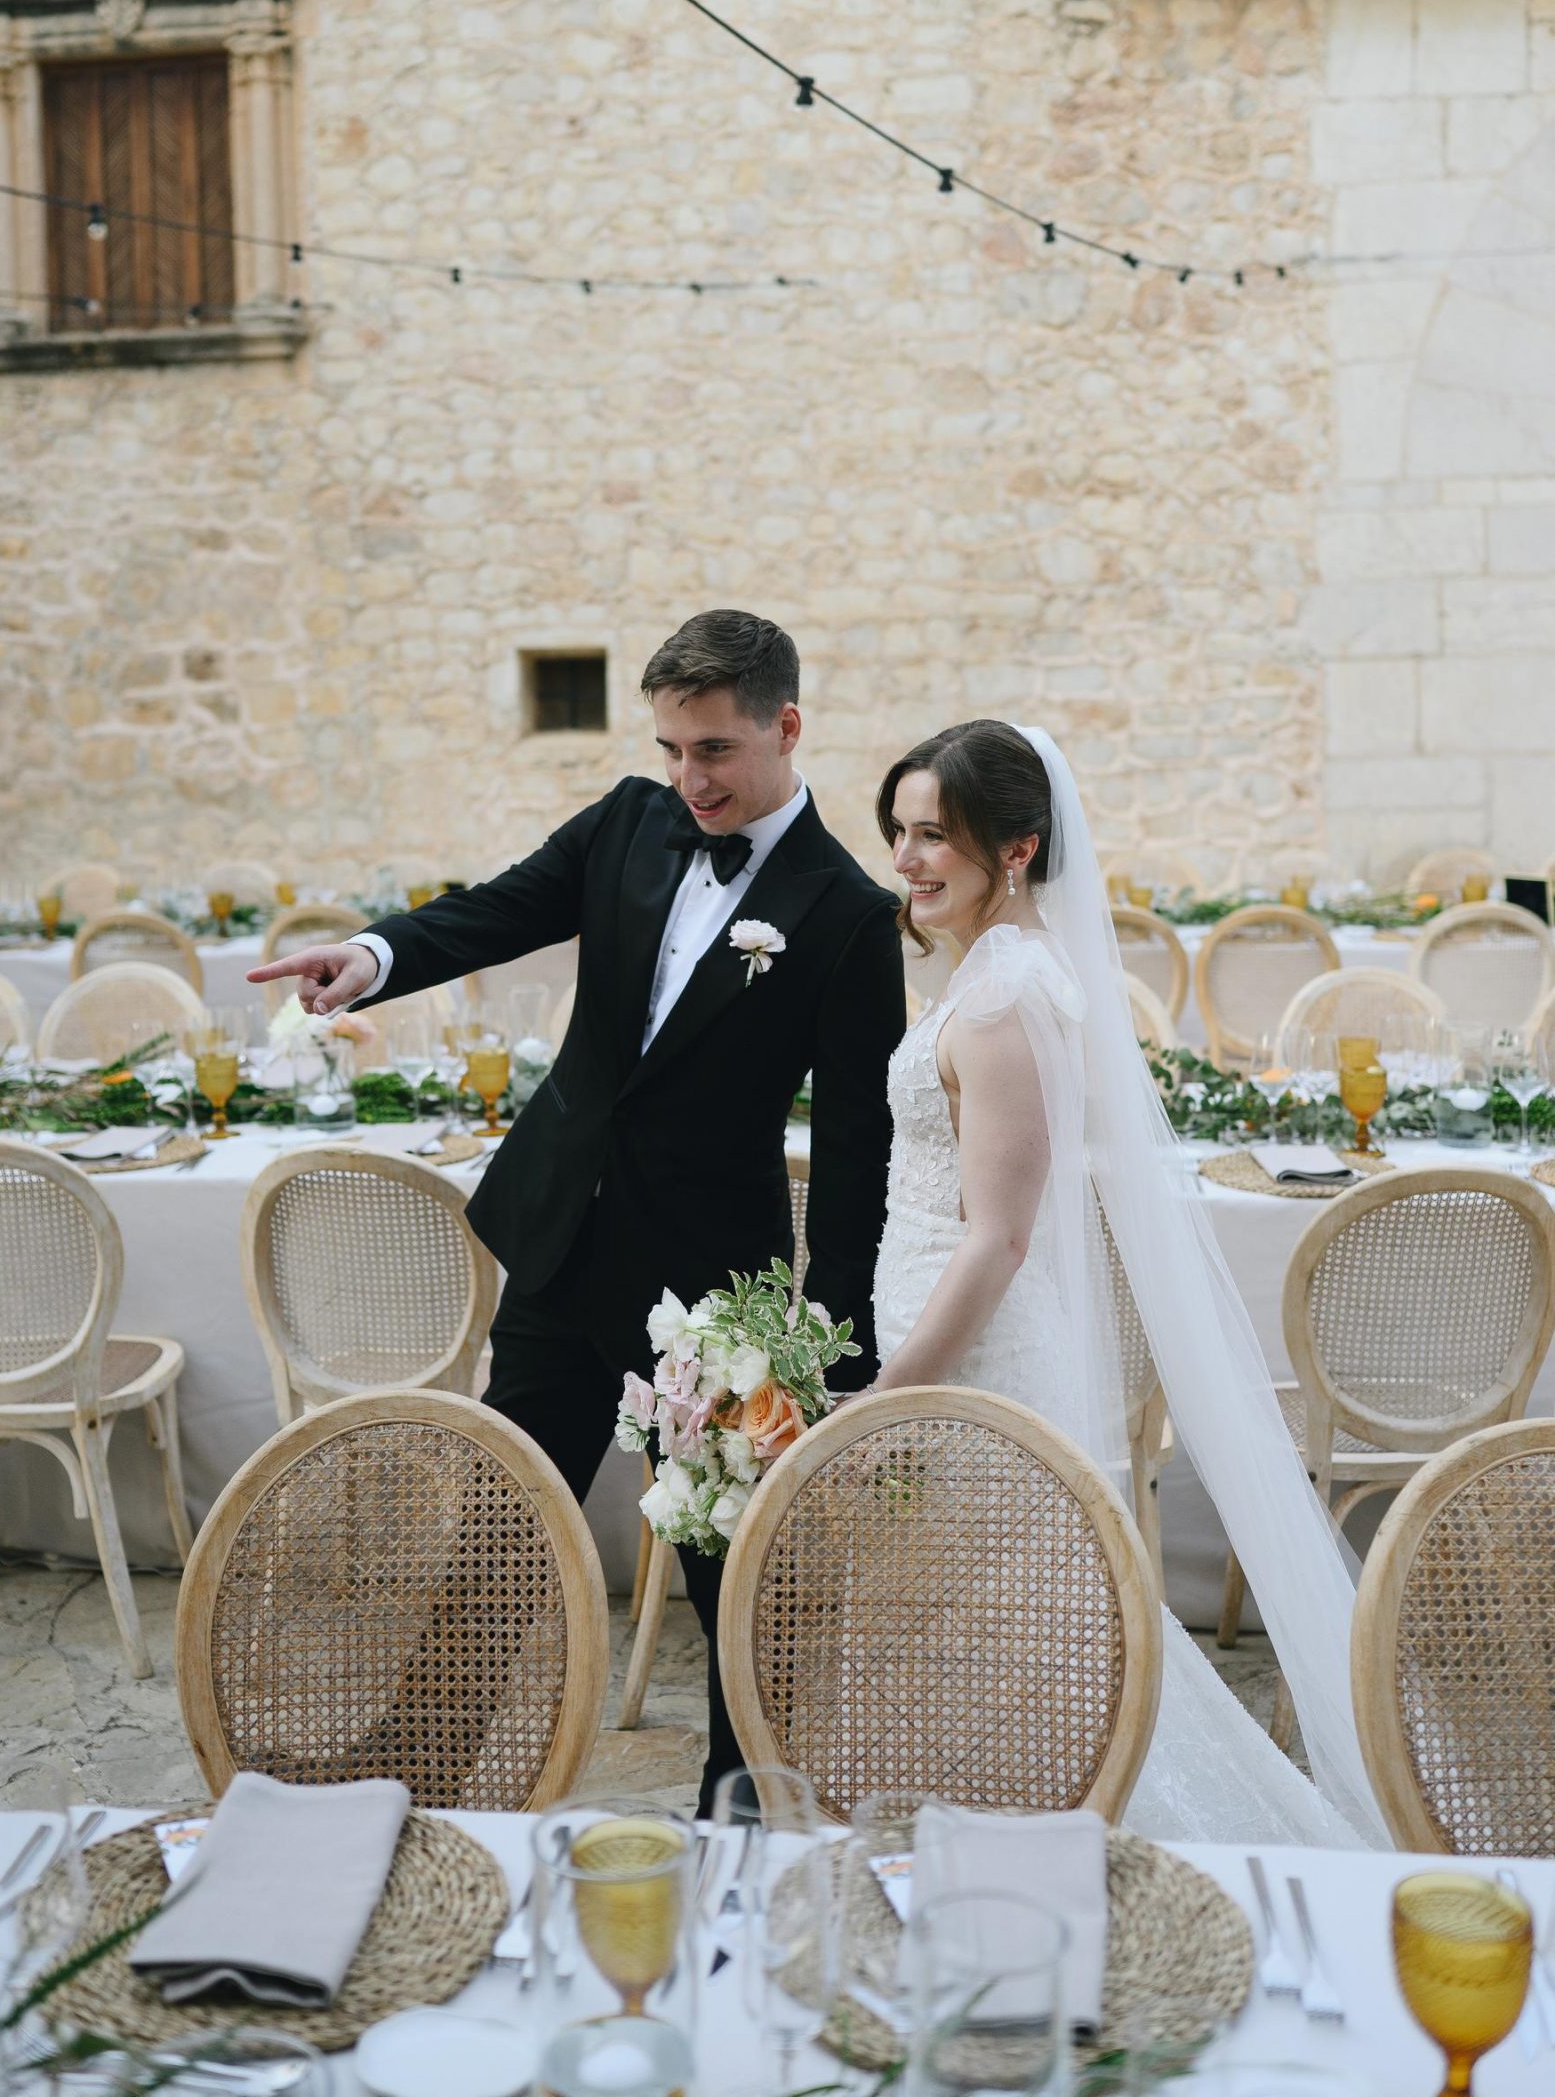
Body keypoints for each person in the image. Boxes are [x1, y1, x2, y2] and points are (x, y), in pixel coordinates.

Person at [248, 609, 906, 1806]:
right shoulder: (627, 821)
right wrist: (373, 954)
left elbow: (861, 1147)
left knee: (732, 1556)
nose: (687, 777)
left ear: (786, 727)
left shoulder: (849, 912)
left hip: (718, 1289)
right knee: (504, 1523)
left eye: (711, 749)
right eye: (670, 747)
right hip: (562, 1239)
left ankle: (747, 1783)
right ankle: (414, 1770)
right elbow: (495, 909)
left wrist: (837, 1337)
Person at [869, 717, 1387, 1845]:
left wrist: (890, 1392)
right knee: (994, 1642)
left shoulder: (1003, 999)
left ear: (1016, 847)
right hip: (957, 1356)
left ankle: (1074, 1851)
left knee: (1028, 1642)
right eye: (900, 832)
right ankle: (1000, 1847)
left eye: (933, 836)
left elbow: (999, 1241)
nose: (906, 859)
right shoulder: (1000, 967)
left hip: (979, 1365)